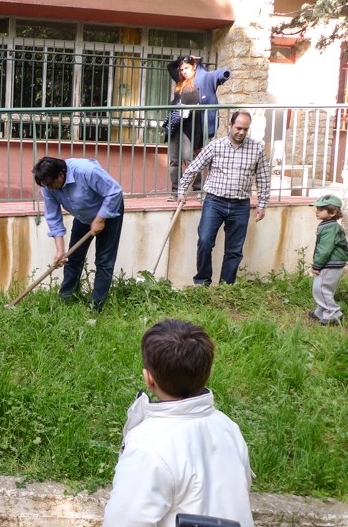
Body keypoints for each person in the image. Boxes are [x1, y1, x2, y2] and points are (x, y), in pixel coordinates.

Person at [103, 319, 254, 527]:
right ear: (208, 373)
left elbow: (123, 522)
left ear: (149, 379)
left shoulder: (147, 447)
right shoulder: (228, 428)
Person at [177, 110, 271, 286]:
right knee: (205, 242)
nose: (241, 132)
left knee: (234, 250)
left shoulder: (257, 148)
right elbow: (193, 168)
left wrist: (262, 204)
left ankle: (226, 288)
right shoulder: (215, 146)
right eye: (238, 128)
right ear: (230, 125)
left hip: (240, 205)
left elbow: (263, 178)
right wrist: (182, 190)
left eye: (245, 129)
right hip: (214, 202)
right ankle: (202, 283)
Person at [32, 157, 124, 311]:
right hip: (83, 214)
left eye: (51, 184)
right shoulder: (47, 187)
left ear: (61, 175)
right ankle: (66, 298)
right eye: (46, 186)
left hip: (109, 211)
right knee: (73, 258)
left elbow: (114, 191)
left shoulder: (86, 170)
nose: (49, 188)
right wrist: (60, 251)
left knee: (104, 261)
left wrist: (100, 219)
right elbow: (54, 217)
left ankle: (95, 307)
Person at [166, 55, 231, 201]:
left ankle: (199, 190)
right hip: (175, 123)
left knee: (190, 158)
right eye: (182, 69)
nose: (184, 72)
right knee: (174, 160)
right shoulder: (180, 82)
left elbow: (221, 75)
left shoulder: (201, 80)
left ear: (194, 67)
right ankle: (176, 191)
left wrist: (197, 61)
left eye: (187, 68)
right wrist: (181, 59)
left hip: (192, 124)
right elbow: (170, 67)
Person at [309, 194, 348, 325]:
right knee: (324, 288)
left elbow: (325, 249)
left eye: (321, 210)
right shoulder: (328, 224)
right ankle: (321, 312)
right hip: (331, 263)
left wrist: (317, 265)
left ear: (332, 212)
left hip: (331, 264)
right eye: (317, 209)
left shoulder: (330, 228)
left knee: (320, 289)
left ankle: (334, 313)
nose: (317, 212)